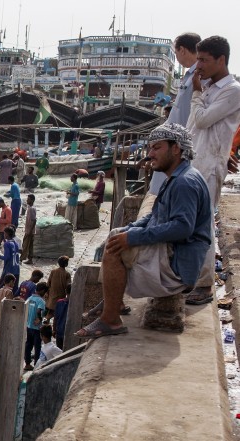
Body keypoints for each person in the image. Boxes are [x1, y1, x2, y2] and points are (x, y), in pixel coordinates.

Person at [76, 124, 211, 338]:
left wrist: (133, 238)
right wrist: (130, 230)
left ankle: (110, 321)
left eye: (156, 148)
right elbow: (155, 215)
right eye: (150, 148)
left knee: (114, 251)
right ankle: (115, 302)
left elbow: (182, 227)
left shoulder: (184, 183)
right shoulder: (176, 177)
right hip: (173, 252)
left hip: (179, 264)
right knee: (116, 235)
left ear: (176, 149)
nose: (150, 154)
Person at [185, 35, 240, 306]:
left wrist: (196, 93)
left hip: (208, 166)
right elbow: (195, 128)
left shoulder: (232, 89)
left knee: (202, 225)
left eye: (204, 60)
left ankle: (204, 285)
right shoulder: (209, 88)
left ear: (221, 60)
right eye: (198, 59)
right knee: (191, 223)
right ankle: (194, 279)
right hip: (196, 163)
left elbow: (204, 120)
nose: (199, 66)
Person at [148, 33, 201, 198]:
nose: (176, 57)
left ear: (183, 50)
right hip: (174, 138)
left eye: (176, 53)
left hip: (182, 142)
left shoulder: (199, 76)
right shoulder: (189, 76)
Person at [24, 282, 48, 370]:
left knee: (28, 344)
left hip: (29, 325)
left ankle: (27, 363)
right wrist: (39, 319)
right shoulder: (41, 301)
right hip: (37, 328)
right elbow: (39, 311)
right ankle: (36, 365)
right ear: (42, 291)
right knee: (37, 346)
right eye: (45, 292)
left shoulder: (30, 298)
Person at [0, 227, 21, 291]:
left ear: (7, 234)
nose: (4, 235)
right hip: (16, 269)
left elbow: (7, 257)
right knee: (14, 288)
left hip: (9, 269)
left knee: (0, 288)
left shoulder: (7, 244)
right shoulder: (15, 243)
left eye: (4, 233)